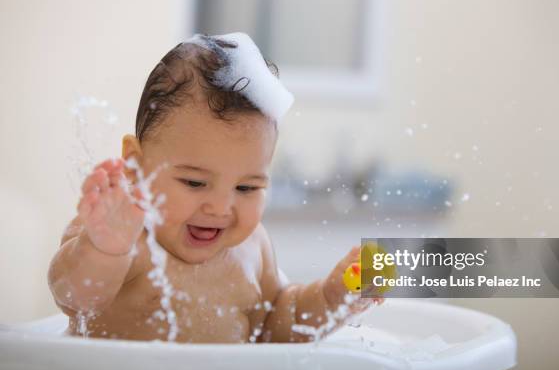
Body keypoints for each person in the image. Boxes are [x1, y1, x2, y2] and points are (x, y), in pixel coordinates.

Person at [48, 33, 382, 343]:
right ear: (136, 166)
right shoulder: (120, 232)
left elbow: (280, 325)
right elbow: (74, 298)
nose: (221, 207)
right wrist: (105, 249)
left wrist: (334, 297)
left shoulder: (253, 249)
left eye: (247, 188)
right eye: (194, 182)